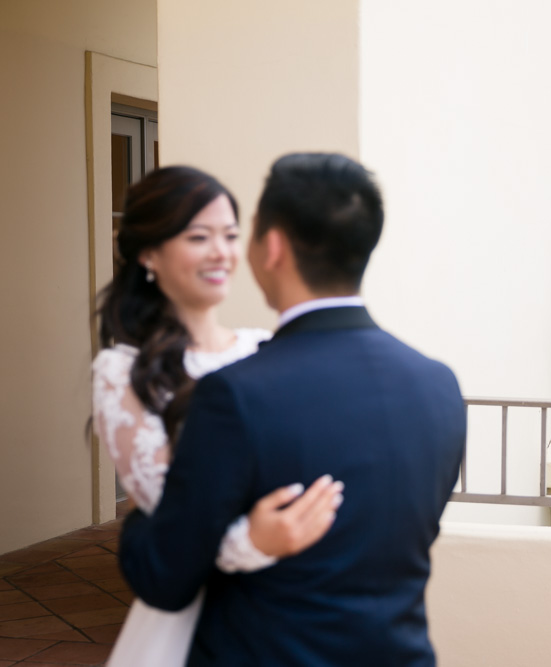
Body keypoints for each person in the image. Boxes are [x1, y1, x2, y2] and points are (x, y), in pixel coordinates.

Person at [117, 153, 466, 665]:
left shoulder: (235, 395)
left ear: (272, 246)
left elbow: (165, 578)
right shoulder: (437, 385)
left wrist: (140, 521)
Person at [92, 166, 343, 667]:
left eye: (230, 236)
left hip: (295, 602)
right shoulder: (123, 371)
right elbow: (172, 516)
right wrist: (254, 539)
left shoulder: (267, 347)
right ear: (148, 253)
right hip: (199, 613)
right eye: (198, 236)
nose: (221, 252)